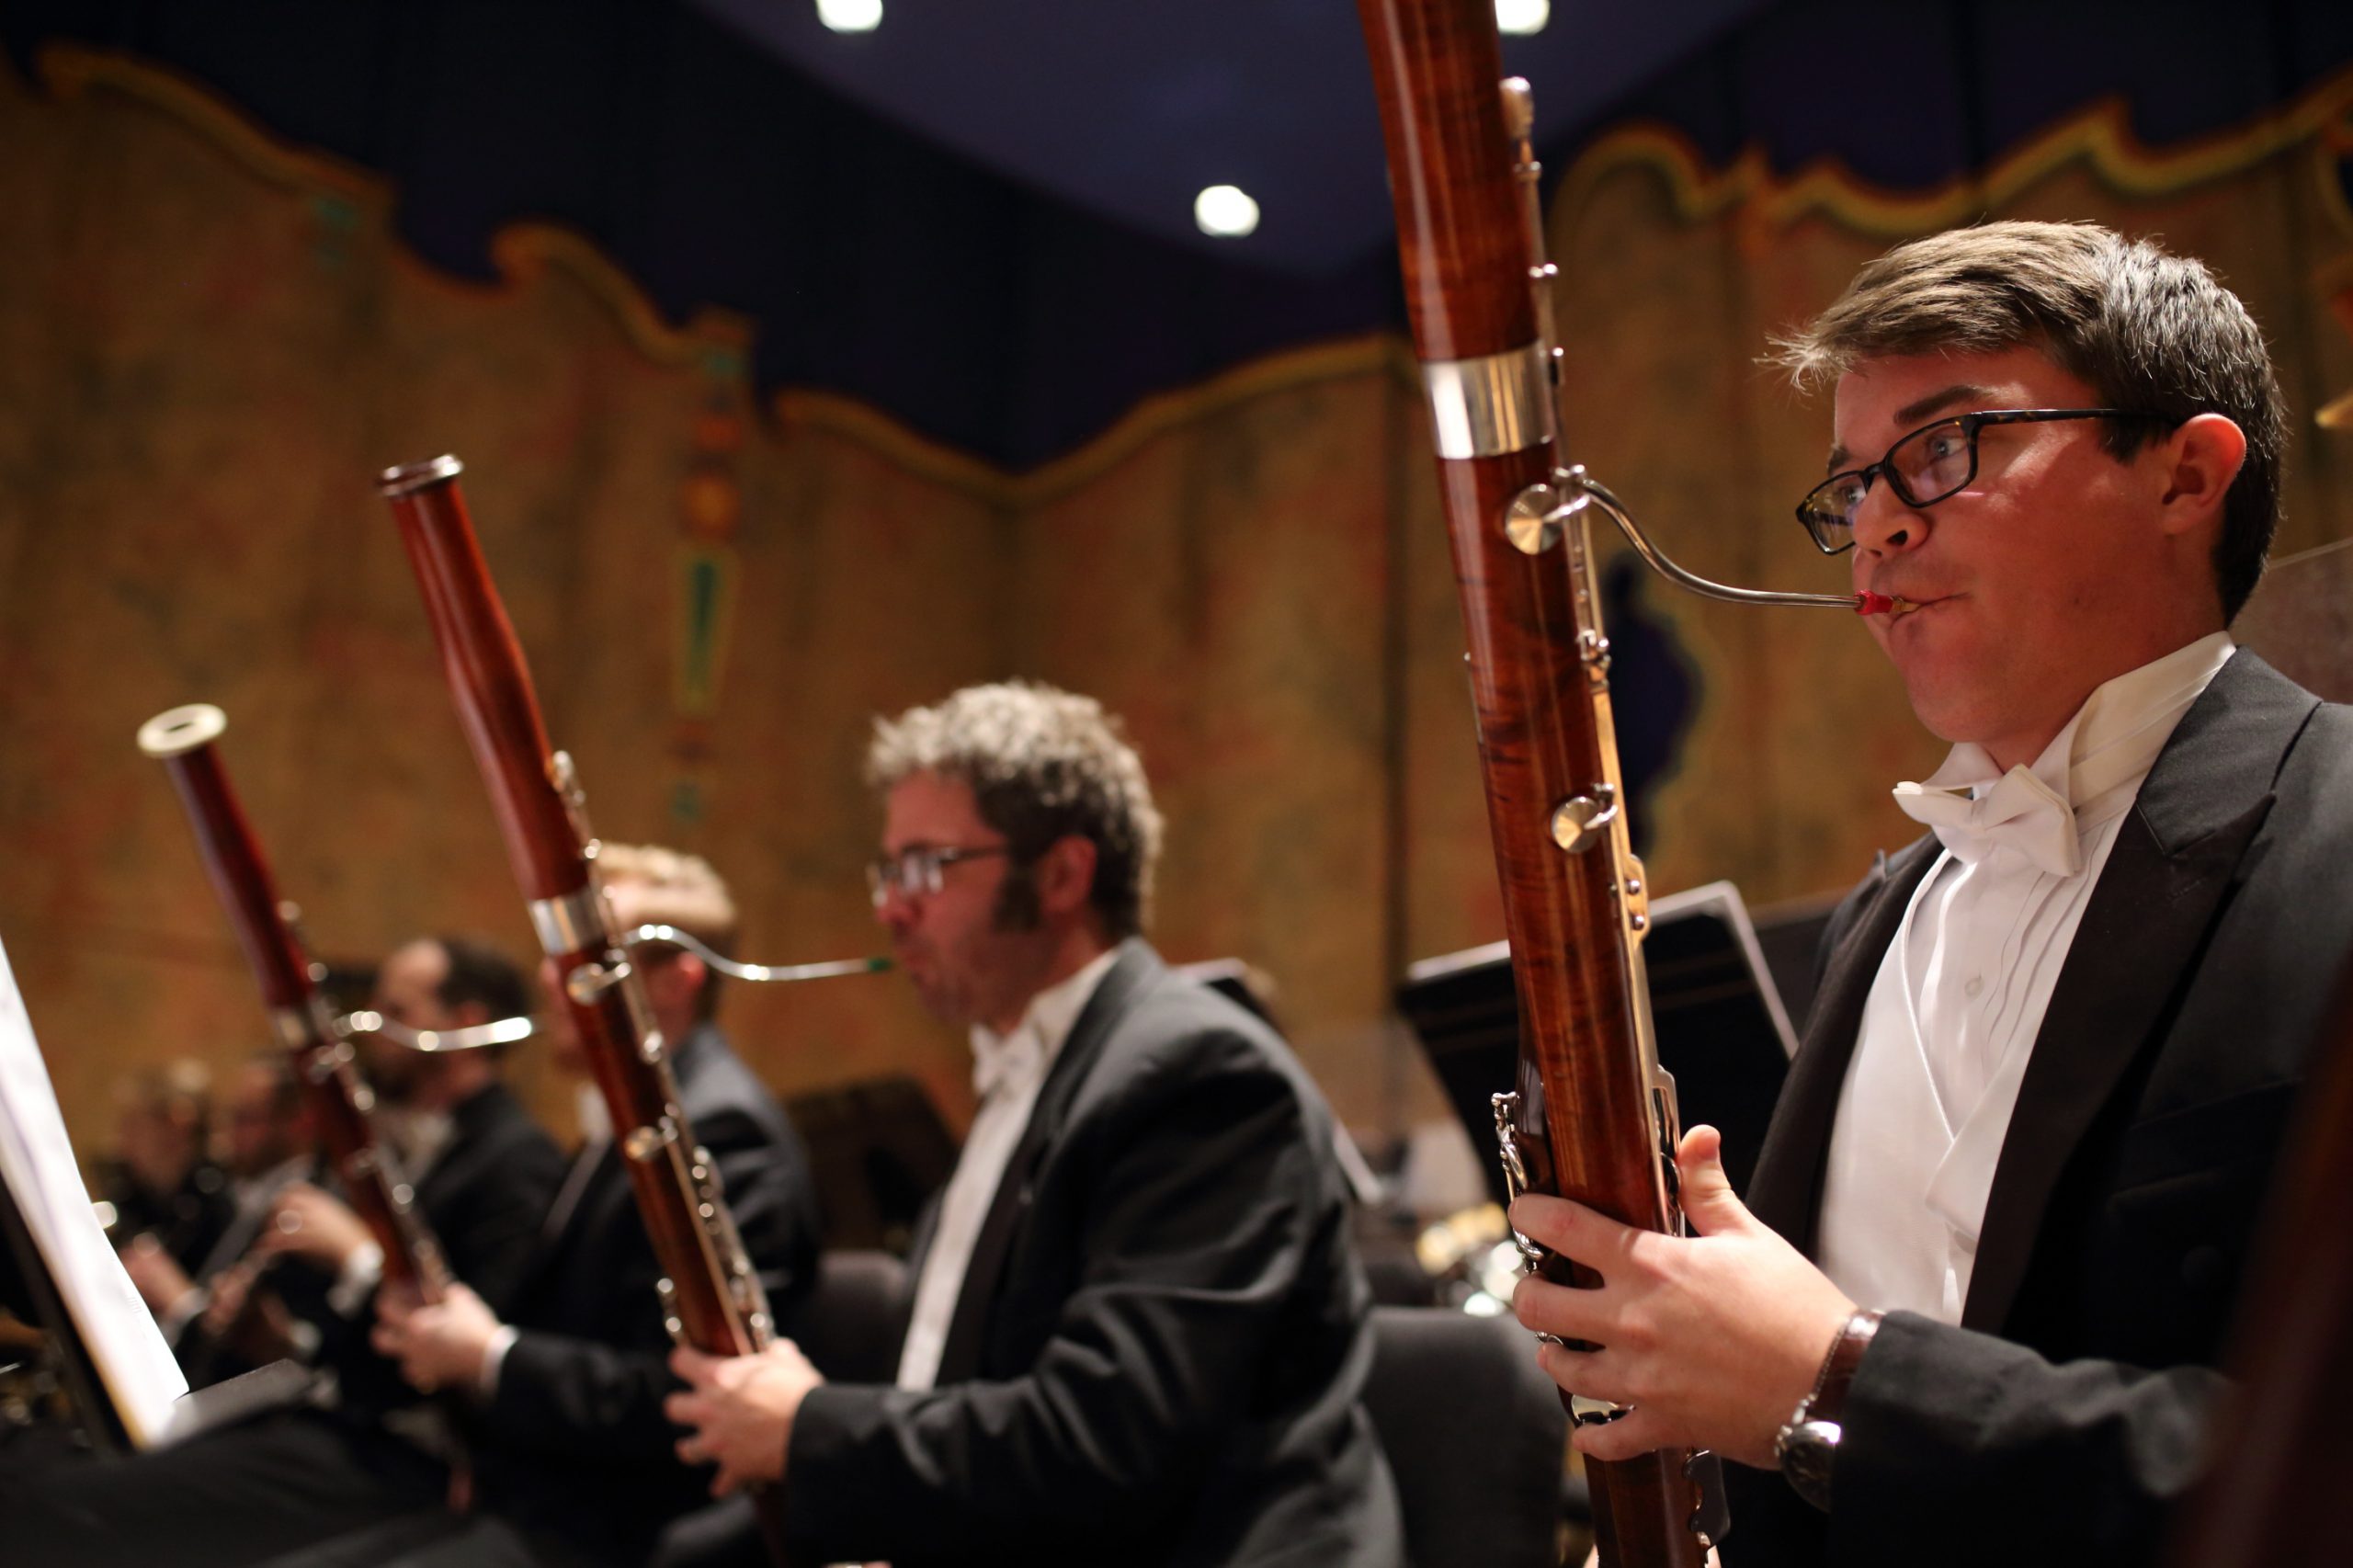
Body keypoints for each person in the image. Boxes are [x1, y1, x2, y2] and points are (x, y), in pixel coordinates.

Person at [1504, 221, 2353, 1566]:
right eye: (1853, 485)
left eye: (1945, 447)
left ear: (2185, 475)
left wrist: (1836, 1379)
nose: (1877, 526)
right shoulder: (1883, 916)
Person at [664, 681, 1402, 1568]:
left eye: (927, 867)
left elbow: (1108, 1443)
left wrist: (810, 1427)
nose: (891, 907)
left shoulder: (1196, 1076)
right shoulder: (1036, 1069)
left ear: (1060, 876)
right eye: (888, 871)